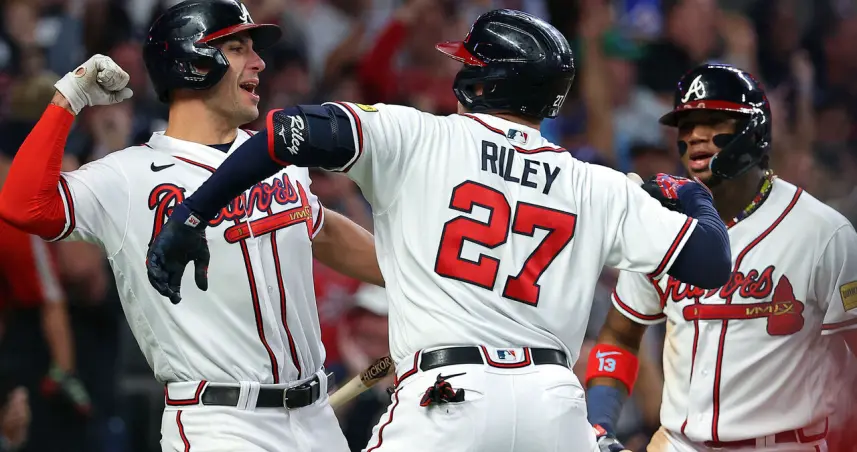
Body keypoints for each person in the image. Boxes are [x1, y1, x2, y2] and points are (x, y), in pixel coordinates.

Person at [146, 9, 733, 452]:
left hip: (447, 397)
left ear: (482, 82)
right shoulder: (596, 183)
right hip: (554, 406)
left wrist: (193, 214)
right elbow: (712, 262)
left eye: (467, 65)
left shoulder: (418, 135)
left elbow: (281, 133)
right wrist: (695, 196)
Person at [0, 1, 382, 451]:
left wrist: (419, 280)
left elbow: (322, 229)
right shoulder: (128, 175)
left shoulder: (274, 155)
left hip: (316, 415)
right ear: (193, 63)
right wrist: (70, 97)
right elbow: (23, 205)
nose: (259, 62)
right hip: (221, 422)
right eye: (238, 49)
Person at [585, 63, 857, 452]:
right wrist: (601, 425)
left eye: (713, 122)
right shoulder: (661, 226)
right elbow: (619, 335)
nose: (695, 135)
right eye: (686, 125)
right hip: (678, 443)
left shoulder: (823, 233)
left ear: (755, 131)